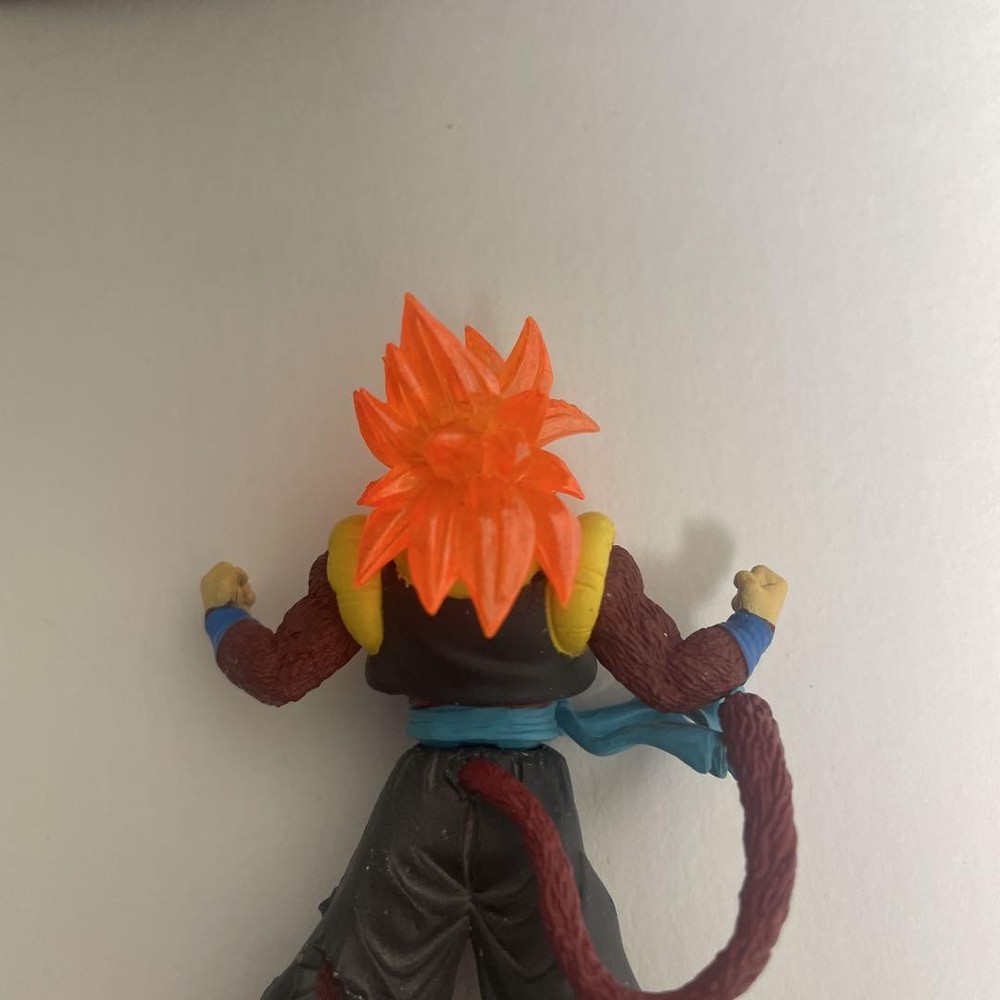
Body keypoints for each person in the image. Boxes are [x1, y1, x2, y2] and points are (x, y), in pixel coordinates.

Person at [199, 295, 790, 1000]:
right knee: (564, 976)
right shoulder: (576, 566)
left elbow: (275, 673)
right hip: (518, 797)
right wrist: (752, 625)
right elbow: (674, 679)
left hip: (426, 805)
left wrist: (223, 617)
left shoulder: (374, 564)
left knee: (357, 978)